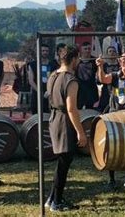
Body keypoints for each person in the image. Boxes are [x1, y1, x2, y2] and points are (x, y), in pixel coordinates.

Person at [46, 45, 87, 212]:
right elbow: (71, 108)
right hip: (64, 121)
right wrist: (80, 132)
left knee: (61, 162)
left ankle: (51, 198)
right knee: (64, 163)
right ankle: (57, 202)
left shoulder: (52, 75)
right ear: (74, 59)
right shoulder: (71, 79)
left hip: (54, 118)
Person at [96, 51, 125, 191]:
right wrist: (100, 66)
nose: (124, 61)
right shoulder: (115, 76)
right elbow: (103, 79)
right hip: (114, 114)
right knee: (112, 146)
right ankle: (111, 179)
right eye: (122, 59)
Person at [28, 43, 57, 114]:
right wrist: (39, 92)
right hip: (37, 94)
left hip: (50, 93)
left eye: (46, 51)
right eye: (43, 51)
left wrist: (49, 90)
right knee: (36, 115)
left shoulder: (53, 64)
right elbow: (31, 81)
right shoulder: (33, 64)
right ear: (39, 52)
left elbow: (56, 79)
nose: (45, 52)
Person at [76, 42, 99, 110]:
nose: (87, 50)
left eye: (89, 49)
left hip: (91, 91)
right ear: (81, 50)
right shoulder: (76, 61)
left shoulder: (95, 61)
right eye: (85, 49)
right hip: (79, 90)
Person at [97, 46, 120, 113]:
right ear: (107, 54)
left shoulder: (120, 66)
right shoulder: (104, 66)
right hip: (106, 93)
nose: (112, 53)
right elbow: (99, 80)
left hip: (118, 93)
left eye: (113, 51)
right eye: (110, 51)